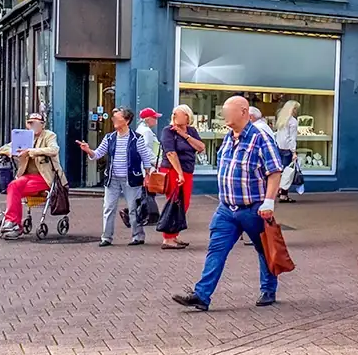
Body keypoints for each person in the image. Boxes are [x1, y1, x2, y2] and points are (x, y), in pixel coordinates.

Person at [173, 94, 285, 311]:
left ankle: (269, 288)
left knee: (264, 249)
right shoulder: (228, 137)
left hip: (253, 208)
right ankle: (202, 296)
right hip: (226, 208)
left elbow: (275, 172)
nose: (224, 114)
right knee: (216, 249)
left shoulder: (261, 138)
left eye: (228, 110)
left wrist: (269, 202)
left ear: (243, 112)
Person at [80, 106, 150, 247]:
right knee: (109, 208)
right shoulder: (109, 138)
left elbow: (145, 158)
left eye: (117, 118)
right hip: (112, 178)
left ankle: (138, 236)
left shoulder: (137, 138)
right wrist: (88, 150)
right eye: (114, 118)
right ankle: (106, 237)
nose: (114, 121)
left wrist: (148, 175)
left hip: (131, 178)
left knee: (133, 209)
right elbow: (98, 154)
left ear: (127, 120)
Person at [0, 112, 60, 234]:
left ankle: (13, 222)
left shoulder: (49, 136)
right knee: (13, 186)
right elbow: (2, 149)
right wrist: (13, 151)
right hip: (27, 175)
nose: (34, 126)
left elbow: (54, 149)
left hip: (44, 176)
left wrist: (32, 151)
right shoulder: (24, 137)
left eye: (37, 123)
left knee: (15, 190)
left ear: (42, 125)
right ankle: (13, 222)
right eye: (31, 123)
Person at [157, 106, 202, 250]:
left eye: (179, 114)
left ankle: (173, 235)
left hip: (187, 170)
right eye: (174, 114)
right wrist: (180, 173)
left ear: (187, 117)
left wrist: (184, 135)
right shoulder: (168, 131)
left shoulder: (191, 131)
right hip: (173, 171)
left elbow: (201, 147)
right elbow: (170, 153)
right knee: (174, 203)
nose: (175, 116)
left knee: (184, 203)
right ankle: (168, 238)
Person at [271, 99, 305, 198]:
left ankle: (277, 190)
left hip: (279, 148)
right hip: (287, 149)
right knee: (287, 173)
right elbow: (292, 138)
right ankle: (283, 194)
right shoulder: (293, 122)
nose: (296, 111)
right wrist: (294, 152)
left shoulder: (281, 119)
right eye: (296, 109)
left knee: (279, 171)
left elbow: (279, 136)